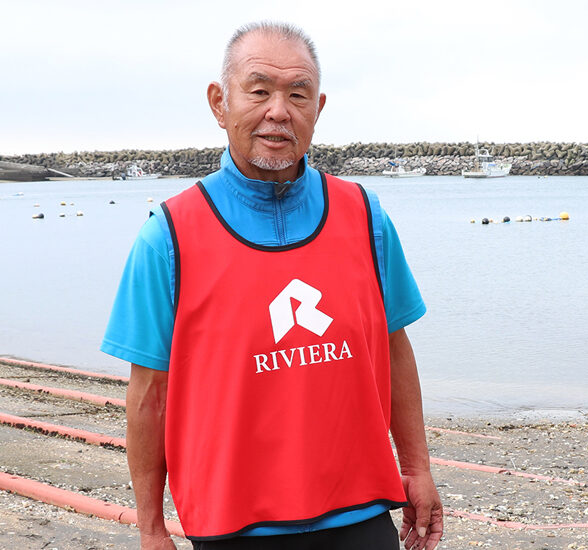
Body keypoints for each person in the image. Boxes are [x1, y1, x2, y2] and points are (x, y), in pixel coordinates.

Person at [102, 21, 442, 550]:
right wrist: (150, 526)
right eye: (259, 91)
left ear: (318, 109)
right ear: (220, 103)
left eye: (298, 95)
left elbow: (395, 348)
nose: (279, 111)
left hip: (360, 511)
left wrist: (416, 468)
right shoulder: (169, 236)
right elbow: (149, 395)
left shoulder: (365, 217)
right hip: (233, 523)